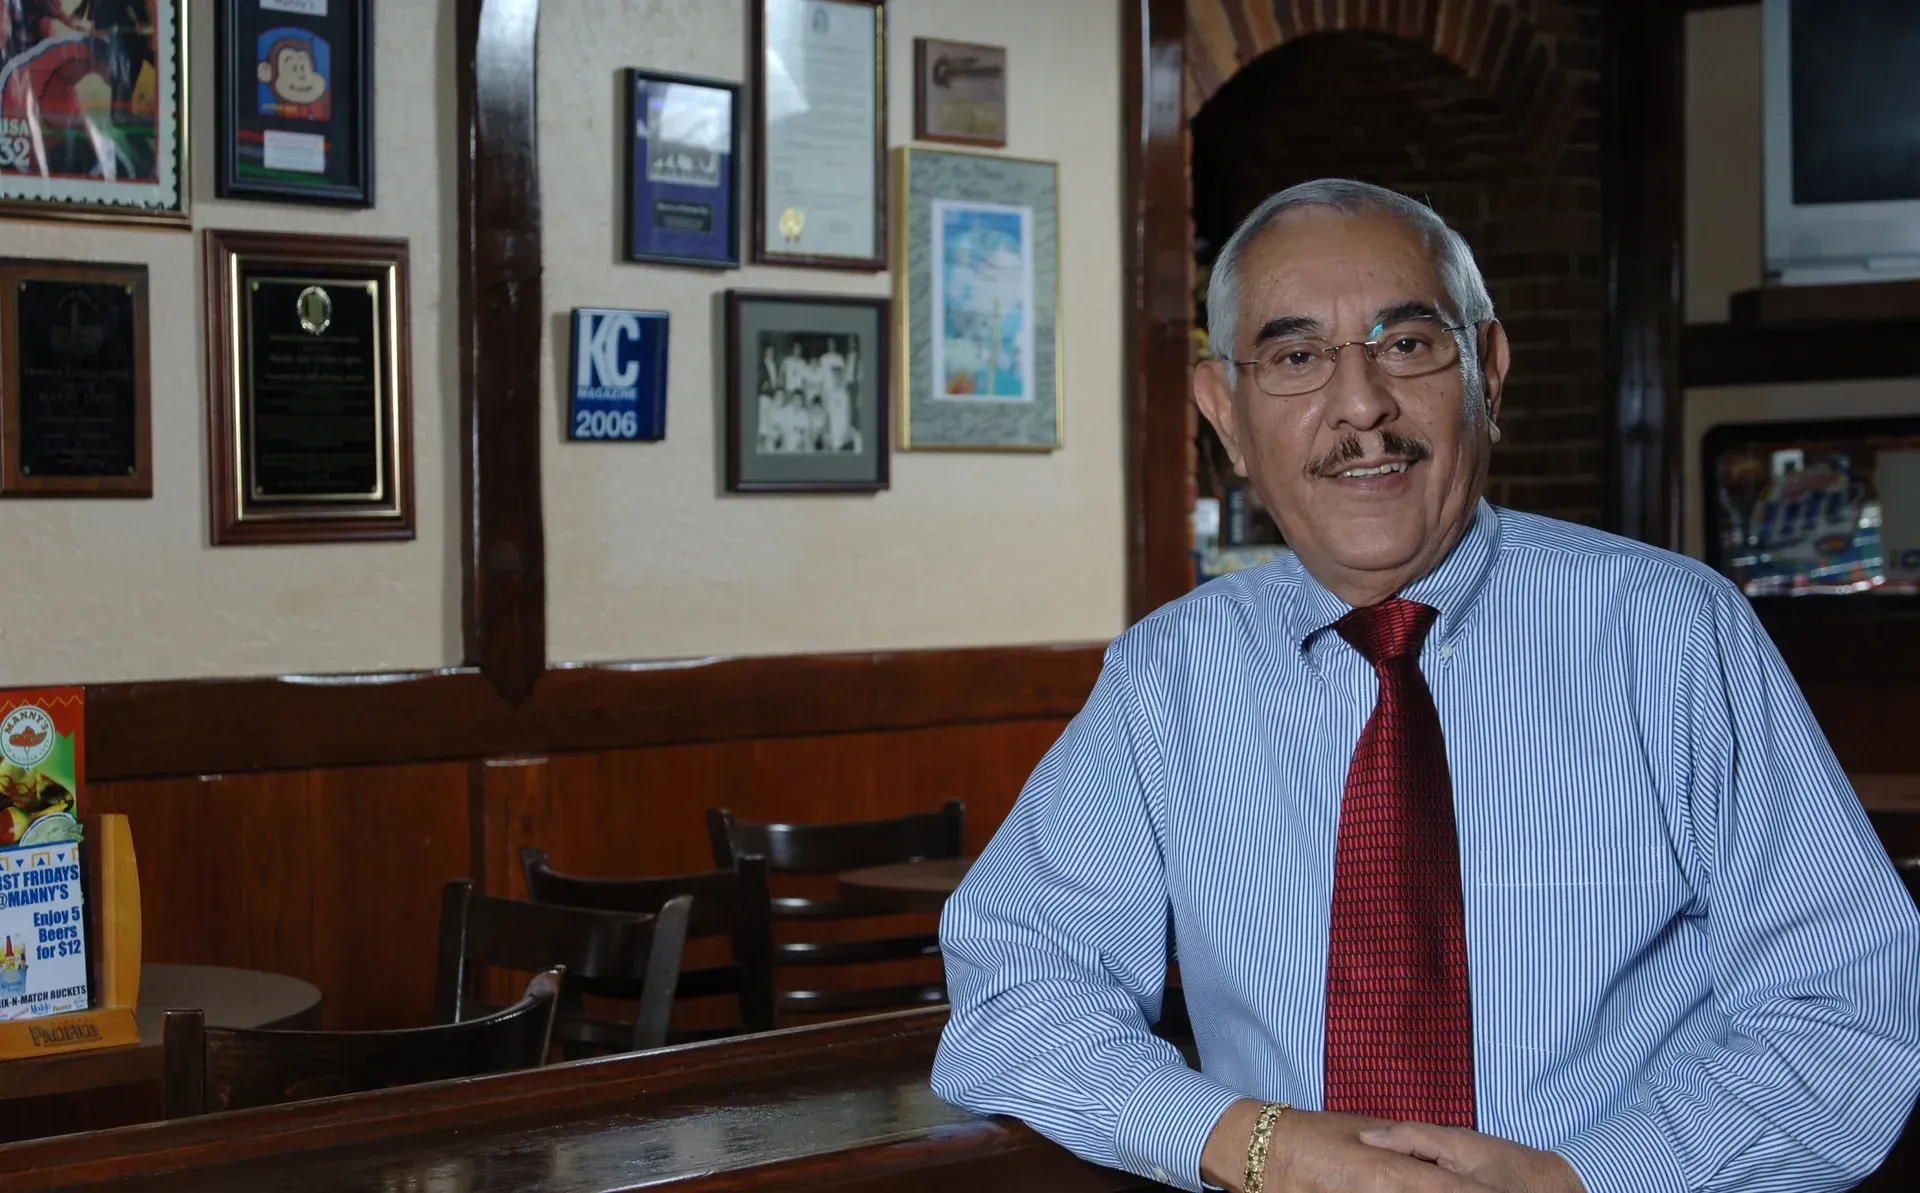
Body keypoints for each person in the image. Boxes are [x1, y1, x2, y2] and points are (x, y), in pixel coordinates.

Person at [931, 179, 1920, 1193]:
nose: (1361, 404)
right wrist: (1257, 1141)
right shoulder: (1166, 678)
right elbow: (1016, 991)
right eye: (1296, 355)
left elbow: (1842, 1012)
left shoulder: (1672, 632)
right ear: (1224, 413)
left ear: (1487, 371)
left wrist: (1582, 1180)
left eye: (1408, 344)